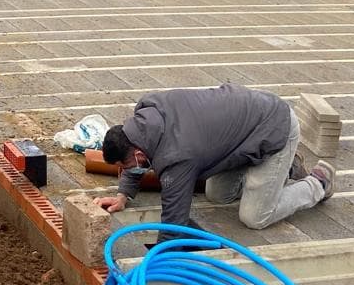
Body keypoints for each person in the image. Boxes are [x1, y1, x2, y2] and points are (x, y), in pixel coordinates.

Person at [97, 84, 335, 236]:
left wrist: (155, 264)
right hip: (244, 129)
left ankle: (317, 183)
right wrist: (123, 194)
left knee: (255, 217)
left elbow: (173, 224)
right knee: (218, 195)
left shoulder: (177, 156)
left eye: (125, 166)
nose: (128, 170)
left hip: (274, 126)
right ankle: (288, 166)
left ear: (138, 155)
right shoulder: (145, 117)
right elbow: (133, 153)